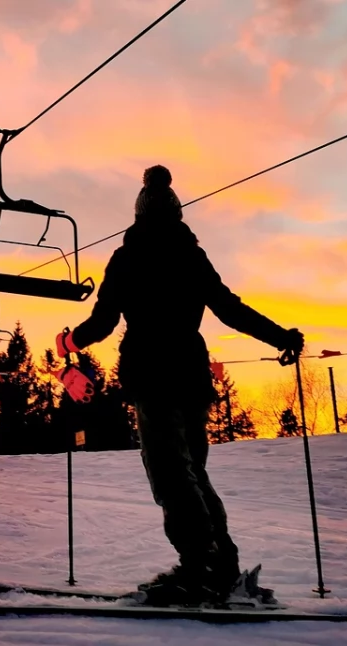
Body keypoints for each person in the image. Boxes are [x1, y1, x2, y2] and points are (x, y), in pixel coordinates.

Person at [55, 165, 304, 606]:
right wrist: (280, 335)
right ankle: (220, 564)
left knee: (170, 474)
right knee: (192, 472)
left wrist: (69, 340)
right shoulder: (192, 255)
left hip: (151, 374)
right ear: (176, 212)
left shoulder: (128, 257)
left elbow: (104, 321)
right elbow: (230, 309)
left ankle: (199, 569)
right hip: (190, 375)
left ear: (139, 214)